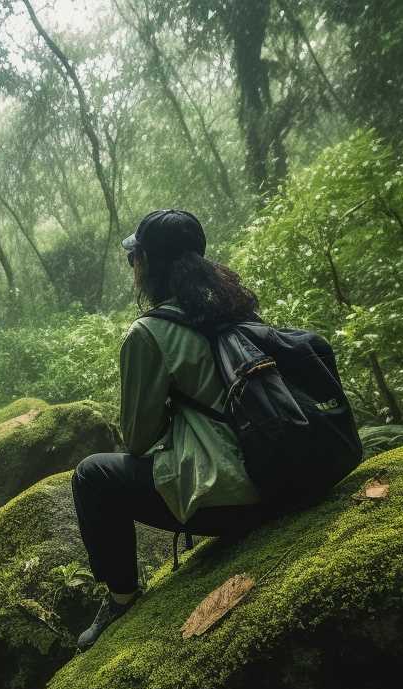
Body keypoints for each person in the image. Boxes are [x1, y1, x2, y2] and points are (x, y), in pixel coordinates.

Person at [73, 208, 268, 650]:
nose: (132, 267)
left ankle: (122, 597)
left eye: (133, 258)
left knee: (92, 475)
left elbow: (138, 441)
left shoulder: (149, 332)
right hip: (280, 467)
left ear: (147, 265)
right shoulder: (238, 306)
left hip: (234, 500)